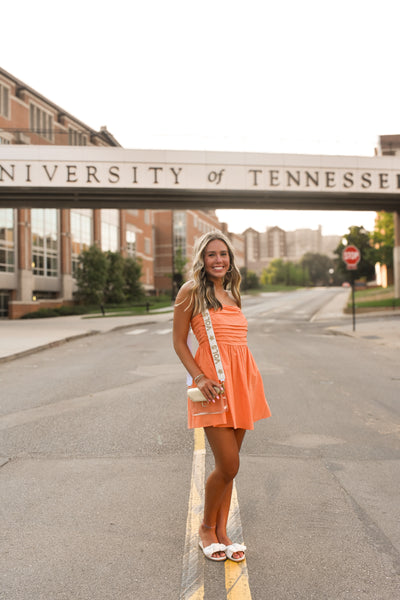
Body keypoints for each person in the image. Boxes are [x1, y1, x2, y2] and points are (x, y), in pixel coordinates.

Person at [173, 231, 271, 562]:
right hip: (213, 386)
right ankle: (205, 528)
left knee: (229, 468)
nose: (219, 260)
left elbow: (238, 346)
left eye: (224, 254)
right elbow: (179, 342)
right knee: (229, 462)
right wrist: (199, 377)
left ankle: (223, 532)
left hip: (243, 383)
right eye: (212, 254)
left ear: (230, 260)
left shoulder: (231, 295)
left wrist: (247, 379)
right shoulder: (190, 293)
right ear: (202, 259)